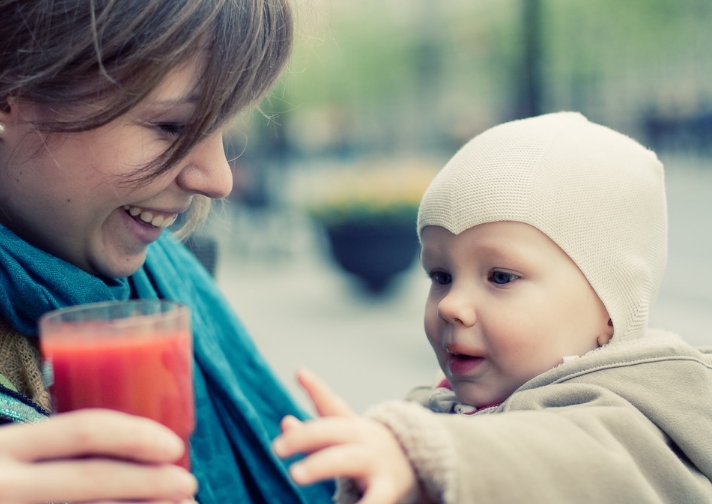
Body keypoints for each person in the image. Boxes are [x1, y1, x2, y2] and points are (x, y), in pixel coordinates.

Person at [273, 112, 712, 503]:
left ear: (610, 312)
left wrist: (419, 462)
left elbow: (564, 462)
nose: (452, 306)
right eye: (440, 276)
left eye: (500, 277)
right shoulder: (435, 409)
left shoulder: (638, 416)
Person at [0, 0, 335, 502]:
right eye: (173, 127)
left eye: (225, 129)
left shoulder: (171, 280)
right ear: (9, 93)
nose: (218, 179)